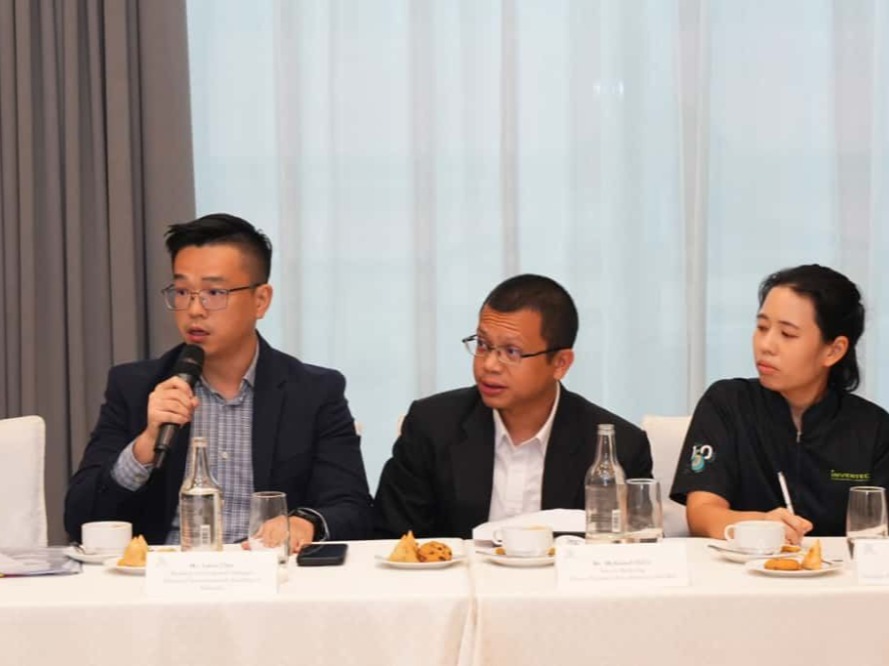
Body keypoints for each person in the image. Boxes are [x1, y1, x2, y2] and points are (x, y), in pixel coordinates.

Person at [64, 214, 373, 550]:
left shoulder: (314, 392)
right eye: (182, 291)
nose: (194, 309)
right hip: (166, 574)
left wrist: (305, 522)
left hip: (269, 571)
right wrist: (144, 447)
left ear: (260, 300)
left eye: (214, 292)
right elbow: (80, 519)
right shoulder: (136, 387)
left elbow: (353, 508)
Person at [373, 274, 653, 539]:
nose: (489, 365)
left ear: (560, 363)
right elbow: (392, 541)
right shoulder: (432, 427)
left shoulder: (620, 448)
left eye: (512, 351)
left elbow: (636, 553)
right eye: (483, 345)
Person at [671, 264, 889, 542]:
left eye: (787, 334)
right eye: (762, 327)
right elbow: (702, 515)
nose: (766, 345)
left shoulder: (873, 428)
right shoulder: (728, 403)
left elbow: (878, 534)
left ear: (833, 351)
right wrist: (759, 525)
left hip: (838, 570)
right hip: (741, 567)